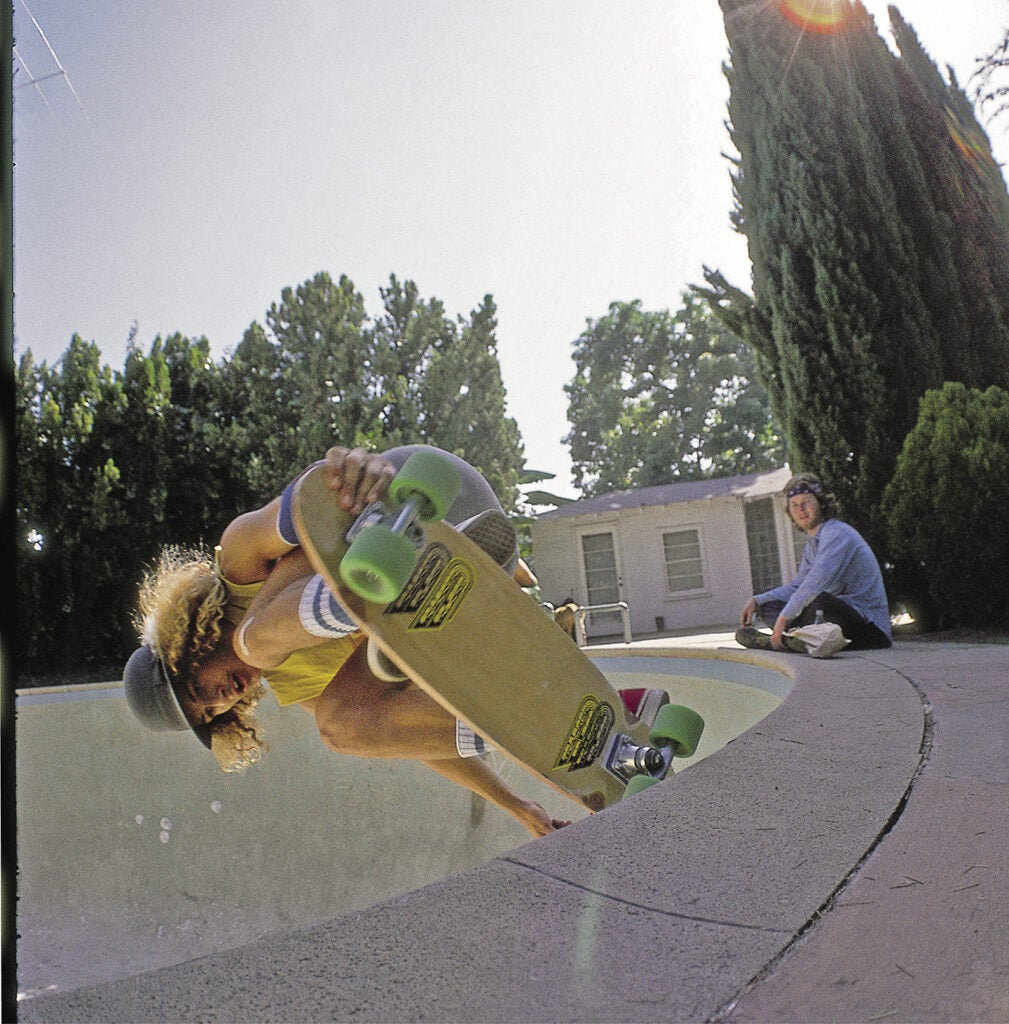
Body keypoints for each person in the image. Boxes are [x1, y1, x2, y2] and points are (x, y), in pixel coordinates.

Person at [123, 444, 566, 838]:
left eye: (199, 689)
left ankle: (375, 579)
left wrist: (349, 468)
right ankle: (527, 718)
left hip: (415, 493)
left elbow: (307, 503)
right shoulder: (295, 685)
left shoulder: (238, 561)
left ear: (188, 648)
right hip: (470, 576)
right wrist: (518, 804)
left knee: (254, 642)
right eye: (211, 714)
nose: (221, 701)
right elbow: (403, 734)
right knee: (341, 728)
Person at [737, 473, 892, 653]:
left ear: (820, 502)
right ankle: (801, 641)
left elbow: (814, 585)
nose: (801, 509)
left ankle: (791, 641)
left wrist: (782, 620)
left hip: (870, 630)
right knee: (770, 606)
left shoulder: (837, 534)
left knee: (820, 601)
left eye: (806, 502)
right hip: (834, 624)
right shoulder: (813, 543)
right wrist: (757, 601)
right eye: (794, 505)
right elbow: (797, 586)